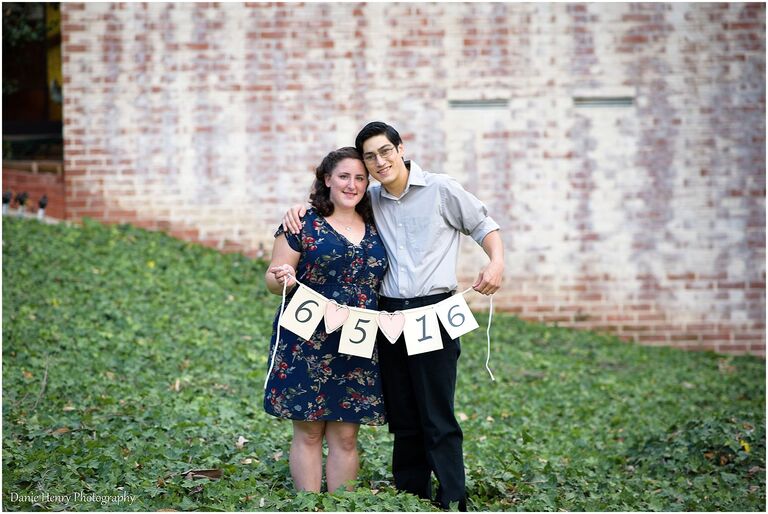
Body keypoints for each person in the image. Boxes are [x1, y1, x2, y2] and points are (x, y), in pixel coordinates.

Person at [282, 122, 504, 510]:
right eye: (370, 157)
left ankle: (453, 498)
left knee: (437, 414)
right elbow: (333, 204)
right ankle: (412, 496)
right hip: (385, 317)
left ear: (400, 149)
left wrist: (496, 262)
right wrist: (300, 208)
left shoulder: (441, 189)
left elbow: (482, 224)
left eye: (385, 151)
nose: (379, 161)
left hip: (433, 312)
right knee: (402, 415)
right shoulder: (371, 199)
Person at [264, 146, 389, 493]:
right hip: (307, 334)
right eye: (344, 176)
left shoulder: (379, 222)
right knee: (308, 429)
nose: (352, 185)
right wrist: (283, 275)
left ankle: (339, 505)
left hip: (359, 335)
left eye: (360, 178)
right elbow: (272, 282)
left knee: (347, 434)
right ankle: (308, 504)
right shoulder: (301, 222)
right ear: (326, 179)